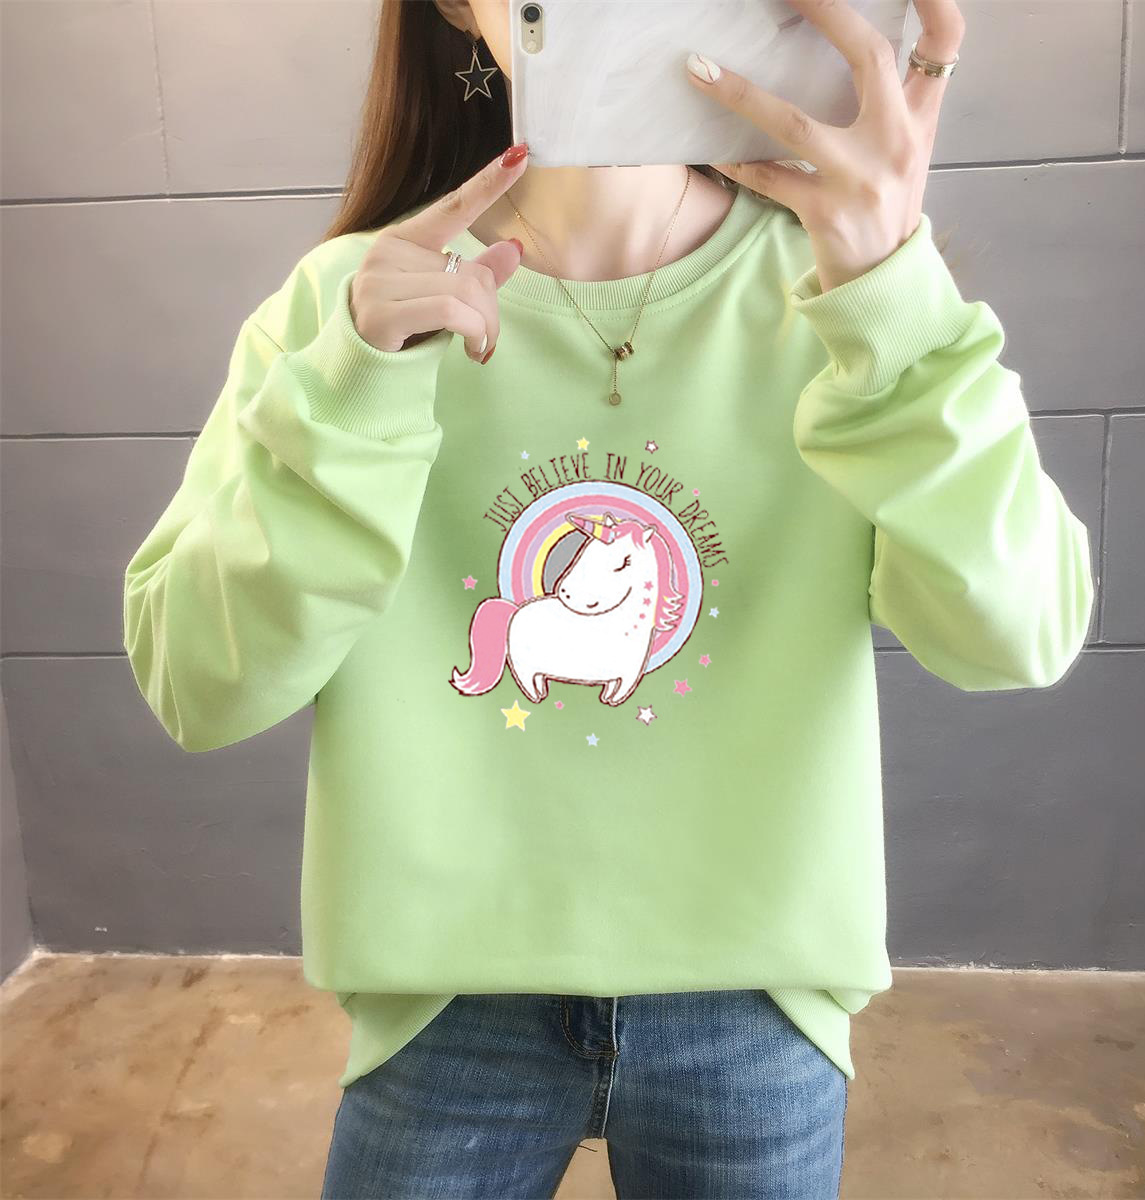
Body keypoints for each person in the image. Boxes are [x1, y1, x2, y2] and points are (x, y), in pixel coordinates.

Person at [121, 0, 1095, 1196]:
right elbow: (198, 683)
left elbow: (1020, 635)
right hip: (443, 1002)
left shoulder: (845, 293)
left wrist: (898, 305)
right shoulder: (348, 309)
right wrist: (351, 399)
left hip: (754, 998)